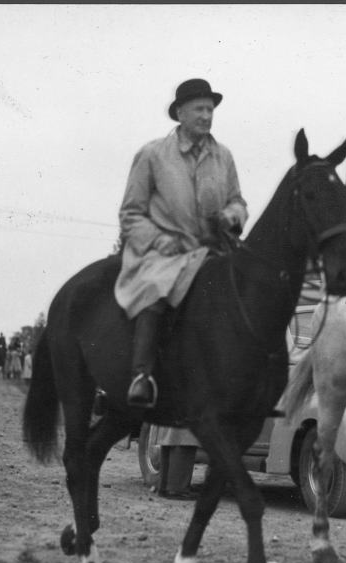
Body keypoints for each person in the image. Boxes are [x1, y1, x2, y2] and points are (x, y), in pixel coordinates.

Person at [115, 78, 248, 408]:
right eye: (199, 109)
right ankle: (142, 376)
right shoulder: (152, 155)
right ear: (180, 114)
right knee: (157, 289)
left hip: (213, 249)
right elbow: (130, 213)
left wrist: (232, 217)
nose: (206, 115)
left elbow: (238, 202)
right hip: (164, 252)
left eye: (210, 109)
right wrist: (159, 240)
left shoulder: (224, 157)